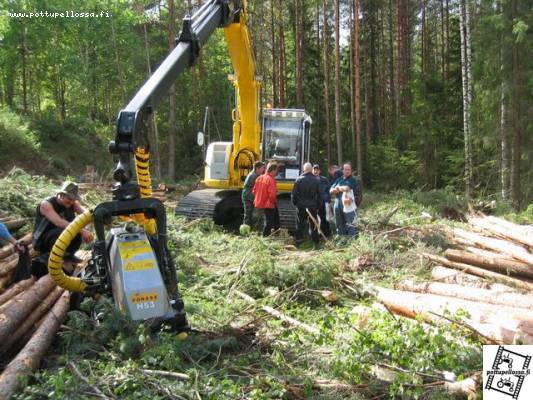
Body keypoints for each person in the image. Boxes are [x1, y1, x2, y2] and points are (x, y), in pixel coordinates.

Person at [32, 181, 94, 276]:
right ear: (61, 195)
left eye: (73, 199)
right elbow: (58, 222)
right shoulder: (46, 204)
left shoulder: (72, 204)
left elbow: (86, 214)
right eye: (69, 199)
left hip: (59, 235)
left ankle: (67, 255)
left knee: (75, 230)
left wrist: (91, 222)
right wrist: (82, 230)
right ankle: (53, 257)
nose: (71, 201)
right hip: (43, 240)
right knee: (69, 230)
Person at [292, 163, 322, 245]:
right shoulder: (316, 180)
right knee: (314, 225)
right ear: (311, 169)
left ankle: (299, 242)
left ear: (304, 169)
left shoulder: (298, 179)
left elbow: (294, 194)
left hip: (301, 206)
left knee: (300, 224)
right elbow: (320, 195)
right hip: (312, 206)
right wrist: (318, 206)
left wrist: (295, 203)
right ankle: (315, 242)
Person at [329, 163, 358, 237]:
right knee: (339, 223)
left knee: (350, 223)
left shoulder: (352, 179)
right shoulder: (339, 179)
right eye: (345, 169)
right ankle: (342, 239)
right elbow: (331, 190)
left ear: (351, 170)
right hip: (338, 202)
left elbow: (347, 188)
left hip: (348, 204)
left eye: (349, 169)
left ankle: (352, 241)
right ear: (342, 170)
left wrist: (338, 188)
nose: (347, 171)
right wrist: (337, 189)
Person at [253, 162, 280, 236]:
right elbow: (272, 195)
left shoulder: (259, 177)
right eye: (276, 171)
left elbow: (254, 191)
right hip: (268, 204)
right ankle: (265, 237)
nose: (276, 172)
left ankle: (275, 232)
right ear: (273, 170)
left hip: (259, 203)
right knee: (269, 222)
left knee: (273, 219)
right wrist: (273, 202)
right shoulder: (271, 180)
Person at [241, 161, 265, 228]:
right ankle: (245, 230)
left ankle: (249, 229)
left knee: (249, 214)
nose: (263, 170)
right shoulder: (253, 176)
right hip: (248, 196)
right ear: (257, 168)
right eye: (262, 168)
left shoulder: (255, 174)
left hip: (249, 195)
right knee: (248, 214)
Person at [312, 164, 332, 237]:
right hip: (314, 203)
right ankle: (316, 235)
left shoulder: (324, 179)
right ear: (312, 170)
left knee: (324, 218)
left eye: (317, 170)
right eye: (314, 169)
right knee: (314, 219)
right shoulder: (310, 179)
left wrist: (328, 200)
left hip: (323, 203)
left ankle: (326, 234)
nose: (316, 171)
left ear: (319, 171)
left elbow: (328, 190)